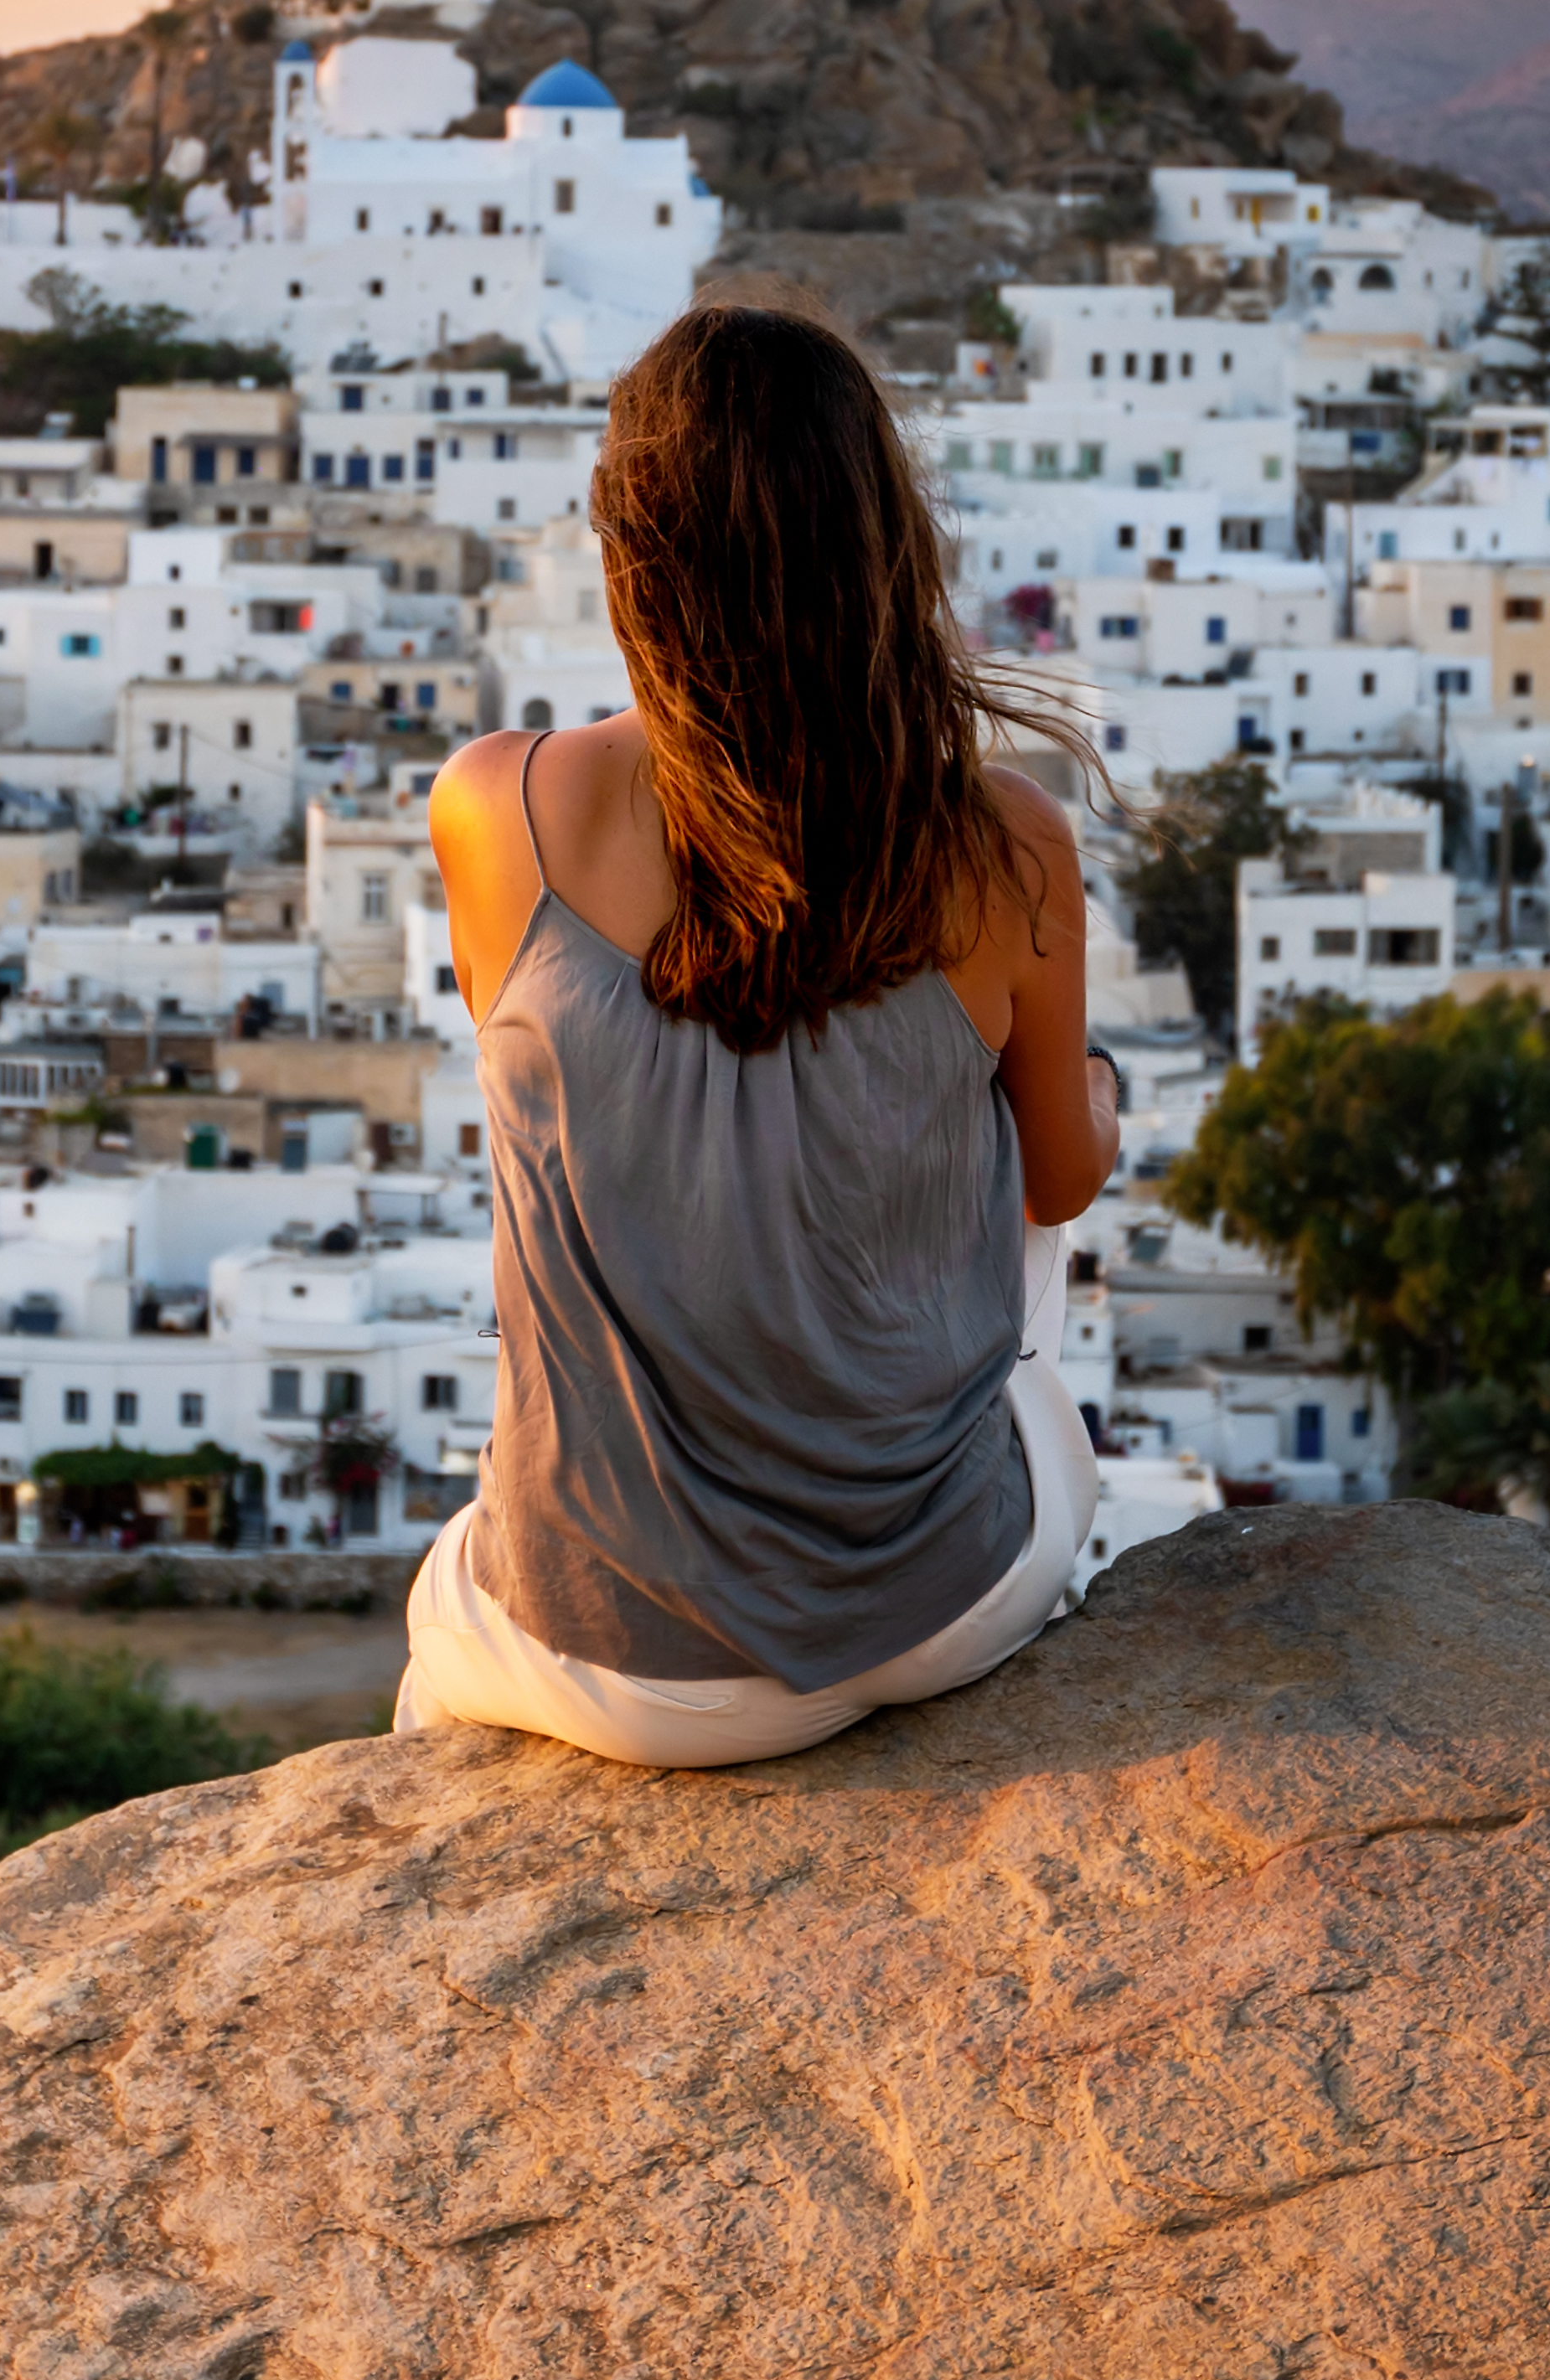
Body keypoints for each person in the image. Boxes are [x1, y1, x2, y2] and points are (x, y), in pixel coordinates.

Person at [395, 300, 1124, 1770]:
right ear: (884, 543)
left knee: (435, 1638)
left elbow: (621, 1106)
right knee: (1006, 1139)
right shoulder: (1002, 844)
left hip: (600, 1659)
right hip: (940, 1605)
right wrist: (1096, 1092)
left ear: (631, 565)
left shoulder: (497, 809)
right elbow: (1056, 1187)